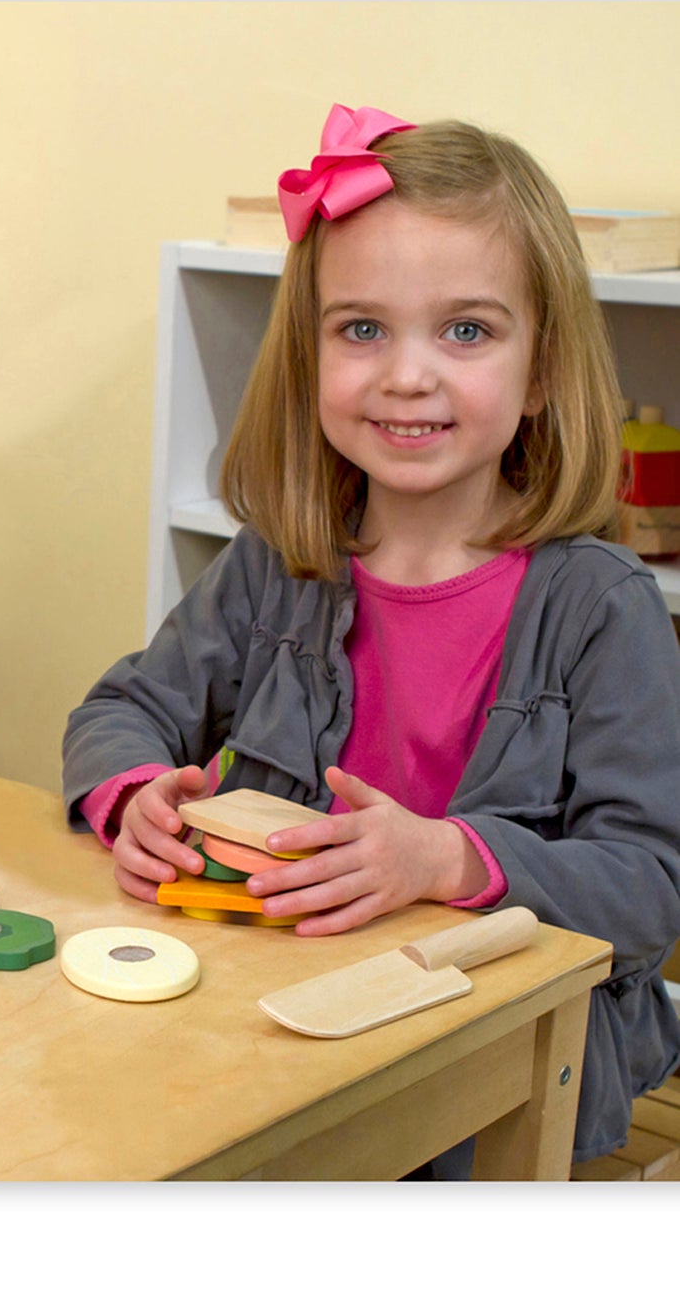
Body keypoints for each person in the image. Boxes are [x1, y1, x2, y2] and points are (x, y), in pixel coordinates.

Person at [62, 103, 680, 1171]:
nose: (405, 375)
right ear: (308, 354)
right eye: (360, 329)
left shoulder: (600, 606)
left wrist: (446, 856)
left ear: (540, 371)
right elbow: (123, 707)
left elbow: (647, 887)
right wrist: (132, 797)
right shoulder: (278, 560)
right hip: (286, 1030)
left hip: (503, 1081)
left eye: (465, 330)